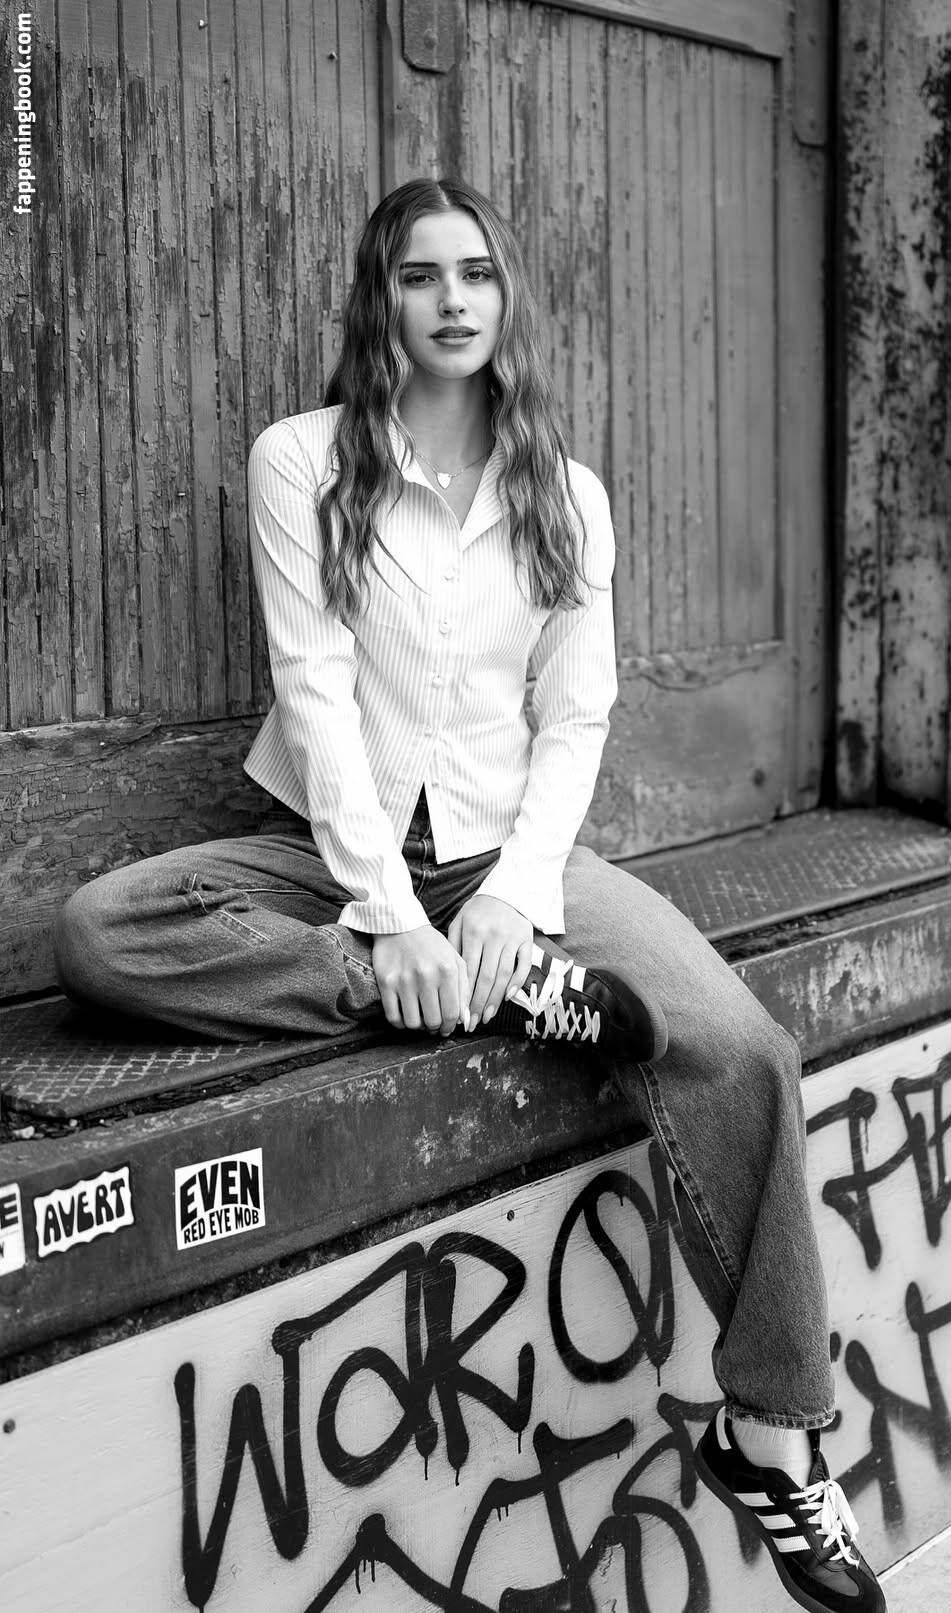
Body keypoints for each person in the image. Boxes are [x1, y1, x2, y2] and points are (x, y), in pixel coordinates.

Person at [51, 178, 885, 1613]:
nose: (453, 300)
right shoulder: (302, 462)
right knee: (102, 929)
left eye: (478, 273)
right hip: (340, 855)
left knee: (744, 1049)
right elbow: (314, 696)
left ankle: (773, 1432)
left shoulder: (566, 492)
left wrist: (506, 899)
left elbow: (578, 715)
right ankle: (434, 995)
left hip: (515, 867)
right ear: (378, 297)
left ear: (506, 297)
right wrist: (386, 920)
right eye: (421, 274)